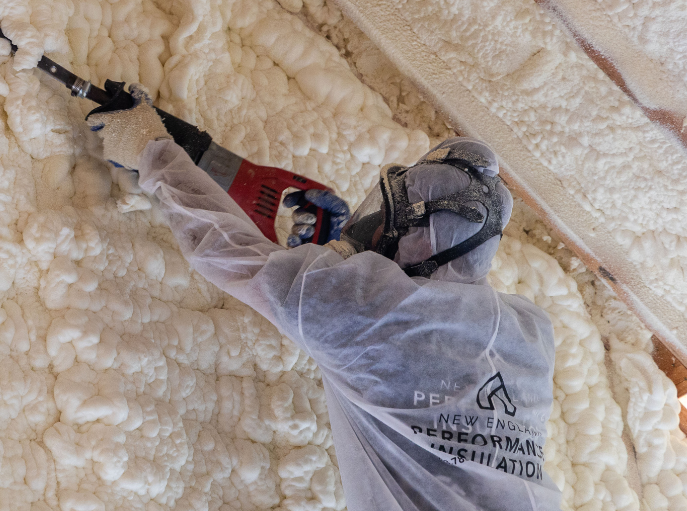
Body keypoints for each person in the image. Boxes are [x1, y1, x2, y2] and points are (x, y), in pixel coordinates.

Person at [86, 86, 561, 511]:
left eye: (388, 218)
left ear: (421, 240)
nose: (373, 223)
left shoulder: (371, 312)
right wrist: (335, 275)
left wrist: (152, 151)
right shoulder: (531, 332)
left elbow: (226, 251)